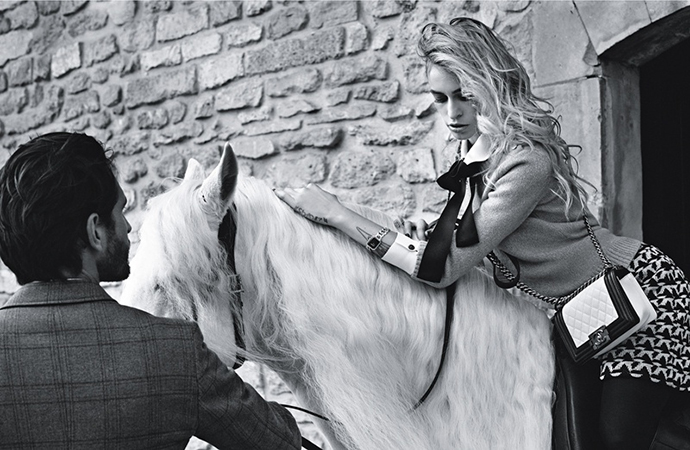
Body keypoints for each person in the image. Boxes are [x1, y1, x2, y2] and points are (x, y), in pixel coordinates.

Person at [275, 17, 689, 450]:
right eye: (440, 98)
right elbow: (475, 239)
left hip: (640, 292)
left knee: (617, 440)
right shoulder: (471, 159)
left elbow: (441, 269)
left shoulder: (525, 160)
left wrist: (339, 215)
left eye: (465, 96)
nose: (452, 113)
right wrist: (434, 230)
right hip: (581, 314)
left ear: (491, 88)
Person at [0, 132, 301, 450]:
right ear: (95, 232)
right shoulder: (175, 350)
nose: (128, 226)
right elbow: (279, 443)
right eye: (120, 210)